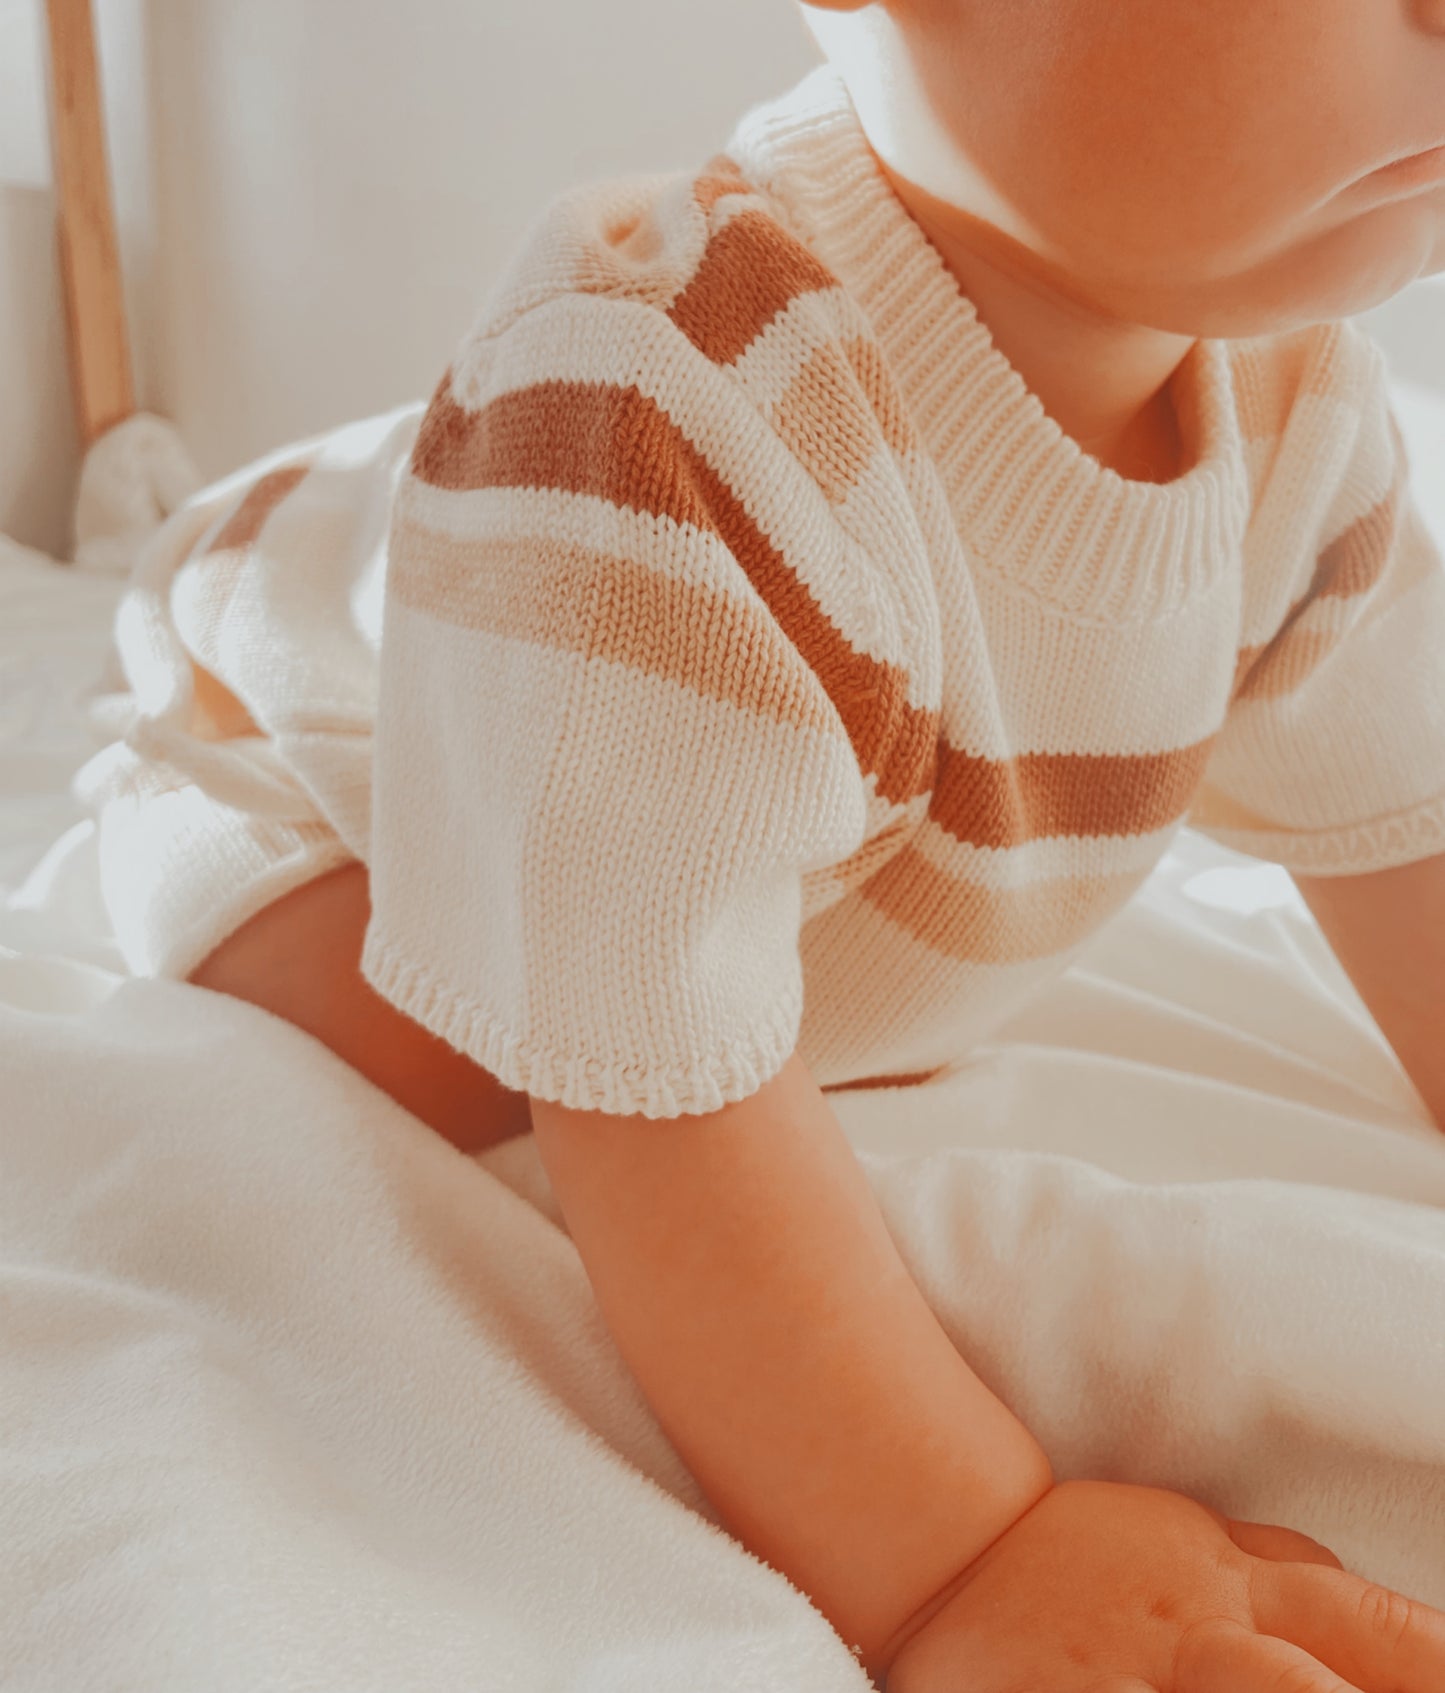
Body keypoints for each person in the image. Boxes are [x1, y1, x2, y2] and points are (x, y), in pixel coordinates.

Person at [74, 1, 1445, 1686]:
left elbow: (1412, 838)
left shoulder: (1300, 407)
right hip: (311, 763)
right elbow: (641, 1077)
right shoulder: (666, 376)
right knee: (462, 1067)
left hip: (767, 805)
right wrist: (960, 1552)